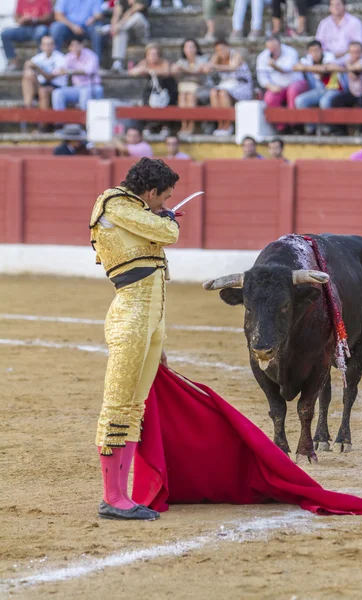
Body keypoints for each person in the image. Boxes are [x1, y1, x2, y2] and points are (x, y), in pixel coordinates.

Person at [89, 157, 180, 520]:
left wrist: (163, 340)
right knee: (118, 404)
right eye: (165, 198)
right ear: (151, 190)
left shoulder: (137, 214)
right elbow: (169, 234)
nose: (167, 205)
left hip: (149, 321)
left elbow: (156, 282)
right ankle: (112, 497)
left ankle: (121, 494)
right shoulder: (115, 203)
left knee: (134, 407)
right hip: (129, 319)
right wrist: (165, 220)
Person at [256, 35, 307, 125]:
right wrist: (271, 86)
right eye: (270, 48)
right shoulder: (262, 57)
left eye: (274, 48)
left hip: (294, 82)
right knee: (269, 98)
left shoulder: (291, 52)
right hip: (276, 85)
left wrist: (274, 66)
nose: (272, 51)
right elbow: (262, 77)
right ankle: (280, 126)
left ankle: (294, 124)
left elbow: (287, 69)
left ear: (280, 44)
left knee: (292, 92)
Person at [294, 40, 341, 134]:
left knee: (325, 102)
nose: (314, 53)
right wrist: (313, 68)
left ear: (321, 50)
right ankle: (311, 128)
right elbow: (296, 67)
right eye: (312, 51)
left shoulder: (329, 56)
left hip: (334, 89)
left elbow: (325, 68)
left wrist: (307, 68)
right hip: (318, 91)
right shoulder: (307, 59)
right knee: (300, 101)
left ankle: (328, 128)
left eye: (316, 50)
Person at [207, 39, 253, 136]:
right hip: (227, 84)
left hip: (241, 85)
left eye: (223, 49)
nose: (221, 51)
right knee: (213, 92)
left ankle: (228, 124)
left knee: (223, 93)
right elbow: (208, 68)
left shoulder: (236, 55)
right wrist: (214, 59)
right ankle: (220, 124)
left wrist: (214, 66)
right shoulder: (217, 57)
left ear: (228, 47)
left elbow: (233, 67)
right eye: (218, 50)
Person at [172, 38, 211, 135]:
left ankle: (191, 125)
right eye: (187, 47)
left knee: (190, 96)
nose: (189, 49)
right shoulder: (181, 61)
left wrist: (183, 70)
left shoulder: (203, 59)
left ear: (196, 48)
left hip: (203, 89)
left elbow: (199, 72)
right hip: (186, 90)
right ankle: (184, 124)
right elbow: (173, 72)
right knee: (183, 96)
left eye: (191, 47)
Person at [52, 38, 104, 111]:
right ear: (69, 48)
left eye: (77, 44)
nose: (75, 47)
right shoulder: (69, 57)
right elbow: (56, 71)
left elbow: (88, 71)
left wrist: (69, 71)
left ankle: (85, 121)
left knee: (85, 92)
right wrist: (60, 70)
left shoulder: (91, 55)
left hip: (93, 86)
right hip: (77, 88)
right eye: (72, 45)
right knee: (57, 93)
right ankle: (60, 120)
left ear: (82, 45)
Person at [1, 0, 53, 71]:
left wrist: (33, 19)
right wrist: (21, 20)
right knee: (5, 33)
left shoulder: (44, 1)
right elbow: (16, 16)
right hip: (24, 28)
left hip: (38, 27)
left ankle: (40, 63)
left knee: (41, 31)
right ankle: (14, 62)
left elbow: (48, 17)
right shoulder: (21, 1)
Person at [21, 35, 67, 109]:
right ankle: (28, 105)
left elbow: (49, 77)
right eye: (45, 44)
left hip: (56, 87)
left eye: (50, 44)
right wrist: (29, 67)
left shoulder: (60, 58)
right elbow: (27, 66)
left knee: (43, 91)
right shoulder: (39, 57)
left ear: (54, 46)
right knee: (28, 75)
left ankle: (42, 119)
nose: (47, 47)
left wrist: (36, 68)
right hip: (41, 84)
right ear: (41, 46)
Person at [110, 0, 150, 73]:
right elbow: (116, 14)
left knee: (137, 16)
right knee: (120, 31)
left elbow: (131, 12)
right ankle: (117, 62)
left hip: (141, 32)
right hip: (127, 30)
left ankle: (107, 28)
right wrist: (114, 26)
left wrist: (119, 25)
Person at [330, 41, 362, 109]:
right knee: (336, 101)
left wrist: (347, 65)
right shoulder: (347, 57)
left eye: (357, 52)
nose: (355, 54)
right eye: (352, 52)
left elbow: (357, 68)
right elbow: (331, 65)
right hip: (351, 92)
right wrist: (345, 68)